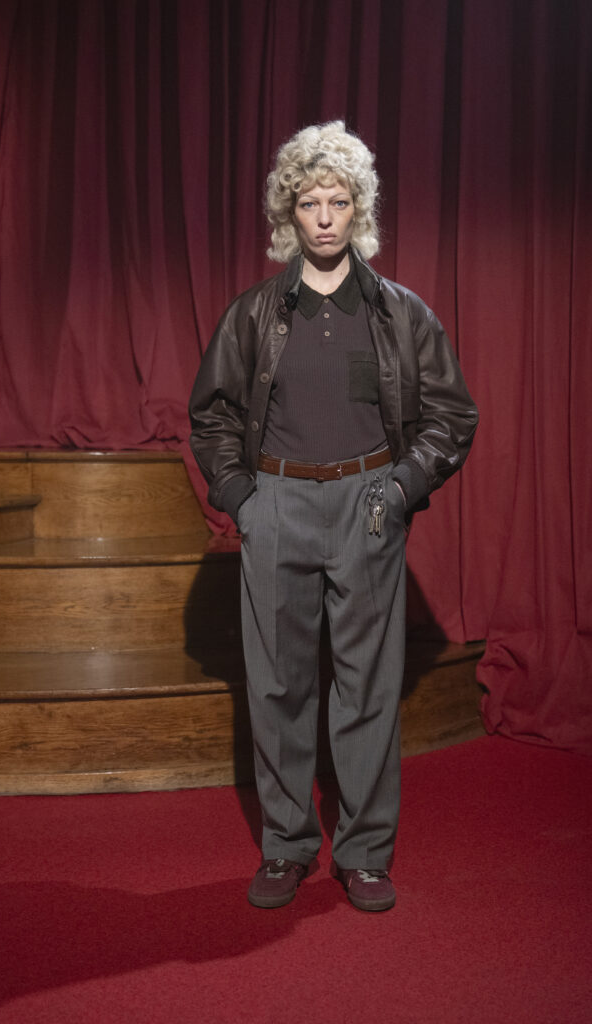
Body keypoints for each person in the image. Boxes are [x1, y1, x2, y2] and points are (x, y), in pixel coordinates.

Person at [189, 121, 478, 912]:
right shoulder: (254, 312)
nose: (323, 217)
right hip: (276, 503)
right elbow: (211, 416)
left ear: (360, 209)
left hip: (368, 504)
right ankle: (286, 846)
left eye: (338, 201)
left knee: (367, 687)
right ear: (289, 211)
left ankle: (365, 853)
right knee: (277, 685)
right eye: (309, 202)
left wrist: (401, 485)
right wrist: (243, 499)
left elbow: (451, 414)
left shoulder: (400, 313)